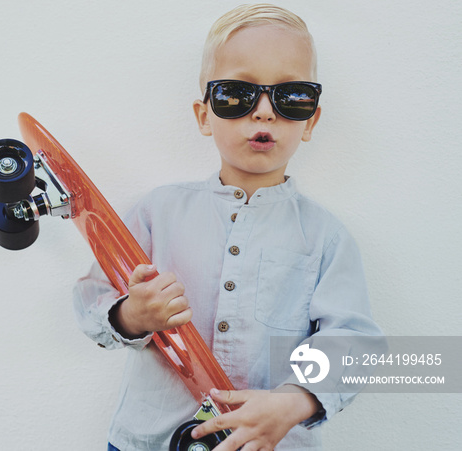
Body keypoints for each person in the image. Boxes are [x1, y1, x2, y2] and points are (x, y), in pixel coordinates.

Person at [73, 4, 382, 450]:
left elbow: (353, 342)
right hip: (147, 440)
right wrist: (132, 315)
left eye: (291, 95)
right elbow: (92, 299)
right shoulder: (157, 211)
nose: (263, 113)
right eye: (235, 94)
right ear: (204, 115)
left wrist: (295, 401)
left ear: (311, 120)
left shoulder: (325, 237)